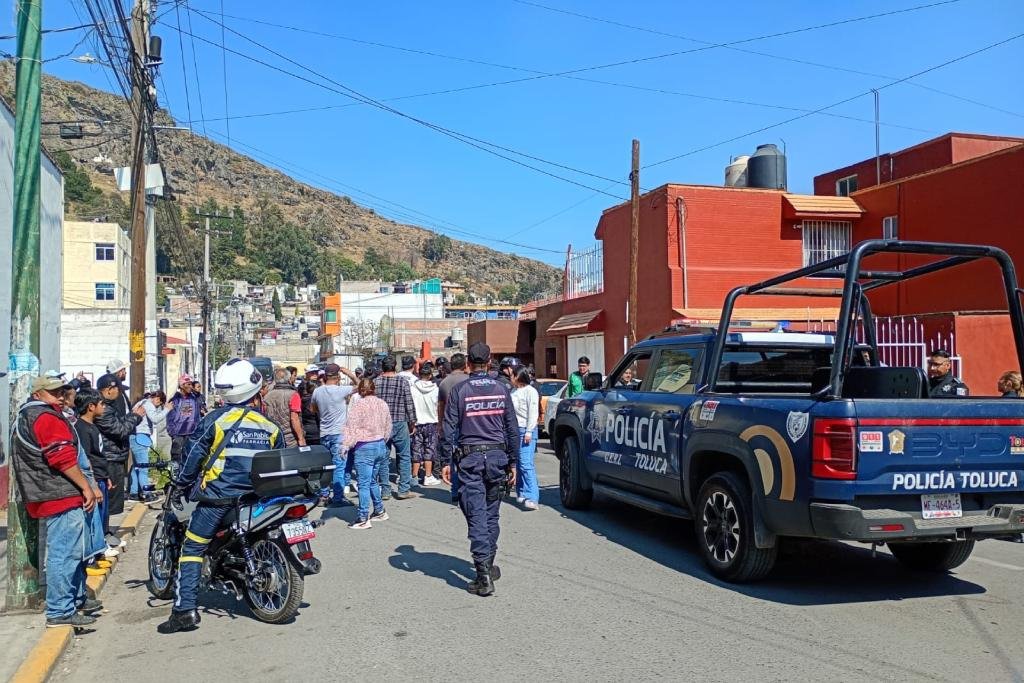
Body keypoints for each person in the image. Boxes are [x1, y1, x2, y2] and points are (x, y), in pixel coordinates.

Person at [158, 358, 283, 634]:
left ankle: (184, 611)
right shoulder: (270, 427)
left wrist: (181, 483)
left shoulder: (215, 421)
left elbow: (192, 458)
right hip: (257, 499)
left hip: (218, 500)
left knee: (192, 548)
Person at [11, 374, 102, 627]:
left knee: (73, 552)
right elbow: (61, 458)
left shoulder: (33, 414)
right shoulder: (45, 417)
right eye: (55, 392)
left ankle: (72, 601)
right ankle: (60, 610)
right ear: (38, 394)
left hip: (50, 492)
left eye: (63, 391)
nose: (61, 397)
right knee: (65, 554)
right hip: (58, 493)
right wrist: (86, 486)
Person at [440, 342, 519, 596]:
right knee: (491, 514)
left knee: (476, 516)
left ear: (467, 364)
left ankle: (483, 574)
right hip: (497, 459)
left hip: (471, 461)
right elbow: (512, 429)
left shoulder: (461, 391)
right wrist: (514, 462)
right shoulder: (501, 389)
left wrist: (444, 461)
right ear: (489, 360)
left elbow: (448, 429)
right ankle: (488, 562)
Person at [341, 378, 393, 529]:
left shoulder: (359, 405)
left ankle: (363, 517)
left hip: (364, 446)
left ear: (360, 390)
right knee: (371, 480)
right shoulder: (382, 403)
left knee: (363, 483)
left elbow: (351, 427)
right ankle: (379, 510)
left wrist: (345, 445)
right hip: (380, 444)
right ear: (373, 388)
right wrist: (383, 438)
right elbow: (388, 425)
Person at [72, 390, 115, 575]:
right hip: (92, 481)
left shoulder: (93, 426)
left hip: (101, 478)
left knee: (101, 519)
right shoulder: (81, 428)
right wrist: (93, 485)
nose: (103, 407)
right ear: (91, 407)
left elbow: (98, 456)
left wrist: (106, 477)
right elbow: (85, 460)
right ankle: (90, 559)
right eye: (100, 404)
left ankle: (98, 552)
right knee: (91, 520)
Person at [95, 374, 146, 526]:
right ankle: (105, 533)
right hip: (109, 458)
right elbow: (120, 430)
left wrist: (131, 415)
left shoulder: (109, 407)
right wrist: (135, 417)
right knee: (108, 500)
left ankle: (107, 530)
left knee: (112, 499)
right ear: (109, 389)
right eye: (118, 389)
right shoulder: (102, 409)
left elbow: (118, 423)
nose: (119, 393)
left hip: (115, 456)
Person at [311, 363, 359, 504]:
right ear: (338, 376)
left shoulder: (317, 391)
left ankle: (324, 495)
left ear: (325, 376)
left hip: (324, 433)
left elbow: (313, 408)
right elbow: (363, 386)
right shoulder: (342, 390)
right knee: (339, 467)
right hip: (339, 433)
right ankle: (338, 497)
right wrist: (350, 374)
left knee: (326, 467)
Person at [375, 356, 420, 500]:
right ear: (395, 366)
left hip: (382, 423)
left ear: (382, 367)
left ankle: (385, 490)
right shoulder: (402, 382)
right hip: (400, 421)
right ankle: (403, 489)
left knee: (383, 457)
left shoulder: (376, 382)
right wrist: (412, 421)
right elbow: (409, 402)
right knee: (404, 456)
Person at [438, 353, 471, 499]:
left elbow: (441, 406)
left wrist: (440, 425)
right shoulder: (469, 380)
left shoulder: (444, 382)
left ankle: (455, 490)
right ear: (465, 364)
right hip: (468, 423)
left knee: (453, 458)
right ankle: (468, 488)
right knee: (468, 457)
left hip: (450, 423)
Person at [129, 390, 166, 502]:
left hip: (134, 436)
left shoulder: (141, 402)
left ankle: (134, 493)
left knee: (137, 467)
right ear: (158, 399)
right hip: (140, 437)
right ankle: (147, 494)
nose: (158, 406)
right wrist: (167, 410)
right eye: (159, 404)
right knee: (144, 468)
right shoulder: (148, 404)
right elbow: (155, 419)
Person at [511, 368, 540, 510]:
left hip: (526, 430)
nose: (511, 378)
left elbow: (533, 412)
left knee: (526, 463)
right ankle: (521, 491)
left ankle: (532, 497)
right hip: (516, 431)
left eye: (512, 375)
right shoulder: (513, 391)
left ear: (518, 376)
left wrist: (529, 431)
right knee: (519, 463)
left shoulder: (531, 391)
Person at [411, 362, 441, 486]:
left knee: (416, 449)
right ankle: (428, 476)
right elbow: (438, 405)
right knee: (429, 450)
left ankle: (414, 476)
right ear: (430, 375)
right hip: (431, 422)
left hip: (417, 422)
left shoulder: (413, 388)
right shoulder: (436, 389)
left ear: (419, 374)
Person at [264, 367, 306, 448]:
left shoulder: (267, 395)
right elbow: (294, 418)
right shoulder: (293, 395)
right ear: (289, 378)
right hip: (290, 438)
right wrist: (301, 438)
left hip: (273, 436)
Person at [166, 375, 203, 463]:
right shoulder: (175, 400)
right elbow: (170, 418)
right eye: (188, 384)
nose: (191, 386)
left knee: (191, 456)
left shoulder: (194, 399)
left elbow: (197, 415)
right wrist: (172, 433)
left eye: (191, 384)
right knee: (177, 456)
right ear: (182, 386)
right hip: (178, 434)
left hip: (192, 432)